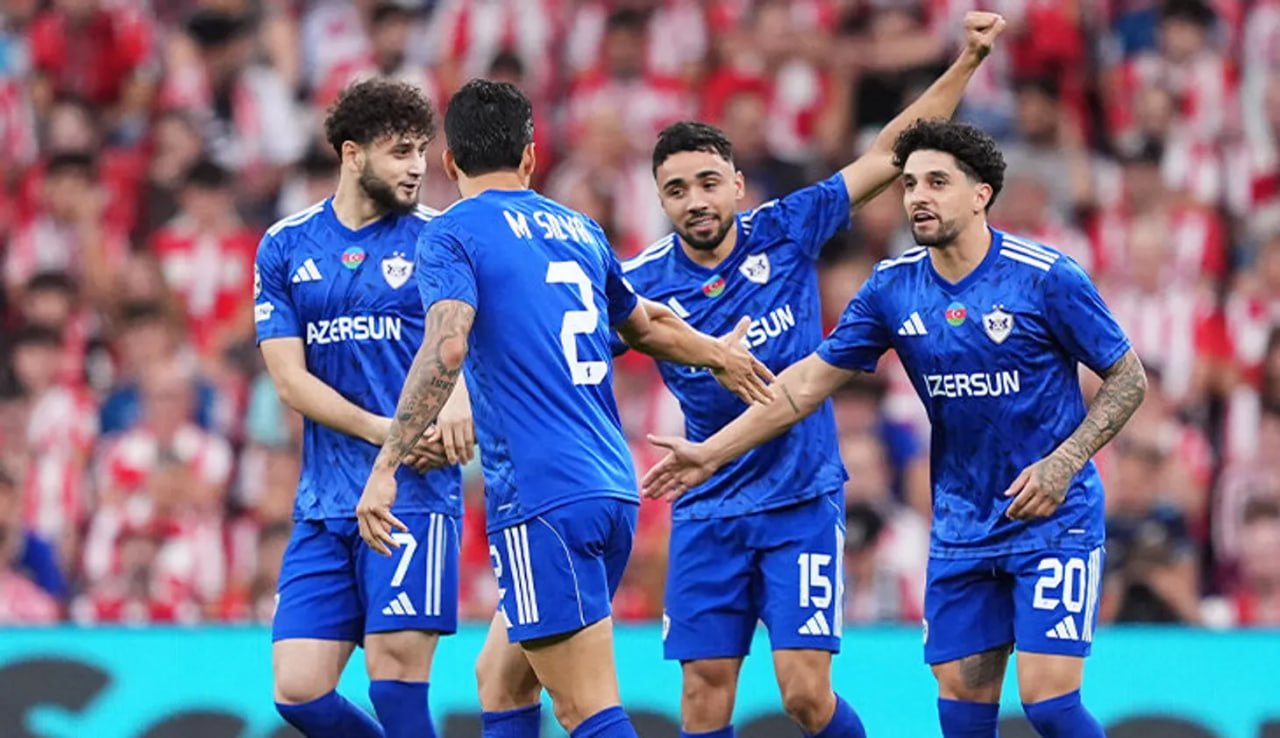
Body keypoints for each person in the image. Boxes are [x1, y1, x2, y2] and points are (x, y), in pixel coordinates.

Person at [643, 119, 1148, 738]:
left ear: (980, 194)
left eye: (936, 182)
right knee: (961, 714)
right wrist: (711, 453)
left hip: (1053, 518)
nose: (917, 197)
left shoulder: (1045, 277)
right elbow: (804, 385)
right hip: (962, 526)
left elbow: (1128, 378)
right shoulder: (892, 288)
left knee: (1048, 704)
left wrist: (1064, 463)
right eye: (909, 184)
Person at [619, 13, 1005, 738]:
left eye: (708, 182)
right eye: (677, 190)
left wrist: (968, 59)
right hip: (707, 502)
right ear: (661, 201)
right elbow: (562, 349)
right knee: (702, 694)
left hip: (798, 497)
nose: (695, 200)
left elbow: (890, 153)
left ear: (737, 185)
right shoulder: (638, 283)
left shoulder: (785, 228)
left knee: (803, 693)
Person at [355, 79, 774, 738]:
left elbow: (448, 343)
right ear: (529, 155)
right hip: (609, 488)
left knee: (586, 708)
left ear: (449, 162)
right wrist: (716, 353)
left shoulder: (450, 233)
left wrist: (386, 465)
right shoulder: (578, 228)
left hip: (540, 498)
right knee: (501, 678)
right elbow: (645, 324)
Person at [255, 77, 471, 738]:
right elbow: (289, 382)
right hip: (325, 502)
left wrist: (460, 397)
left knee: (394, 684)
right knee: (298, 691)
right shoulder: (286, 245)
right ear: (352, 154)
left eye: (421, 151)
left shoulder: (440, 239)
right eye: (400, 152)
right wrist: (389, 430)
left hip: (413, 495)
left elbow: (468, 339)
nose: (417, 167)